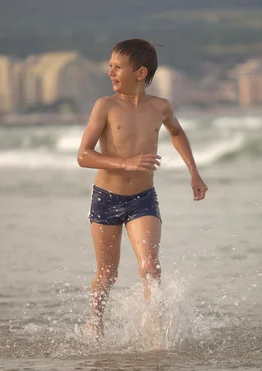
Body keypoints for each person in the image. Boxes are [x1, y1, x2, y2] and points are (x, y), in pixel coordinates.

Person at [77, 38, 208, 337]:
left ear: (140, 72)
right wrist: (125, 163)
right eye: (110, 66)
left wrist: (194, 173)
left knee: (150, 267)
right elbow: (83, 155)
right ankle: (95, 326)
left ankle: (155, 332)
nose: (111, 72)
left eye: (118, 67)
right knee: (107, 274)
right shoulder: (105, 106)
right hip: (106, 198)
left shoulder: (160, 107)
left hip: (143, 199)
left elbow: (177, 132)